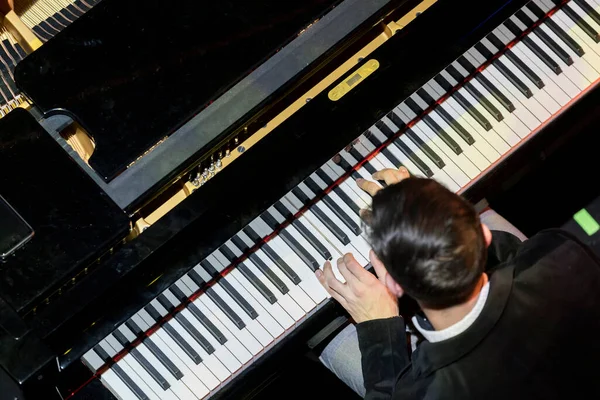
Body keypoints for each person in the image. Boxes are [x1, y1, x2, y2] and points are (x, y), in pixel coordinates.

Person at [316, 166, 600, 399]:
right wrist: (435, 217)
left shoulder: (425, 393)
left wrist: (378, 324)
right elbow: (515, 251)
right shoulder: (560, 251)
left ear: (393, 284)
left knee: (329, 338)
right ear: (484, 236)